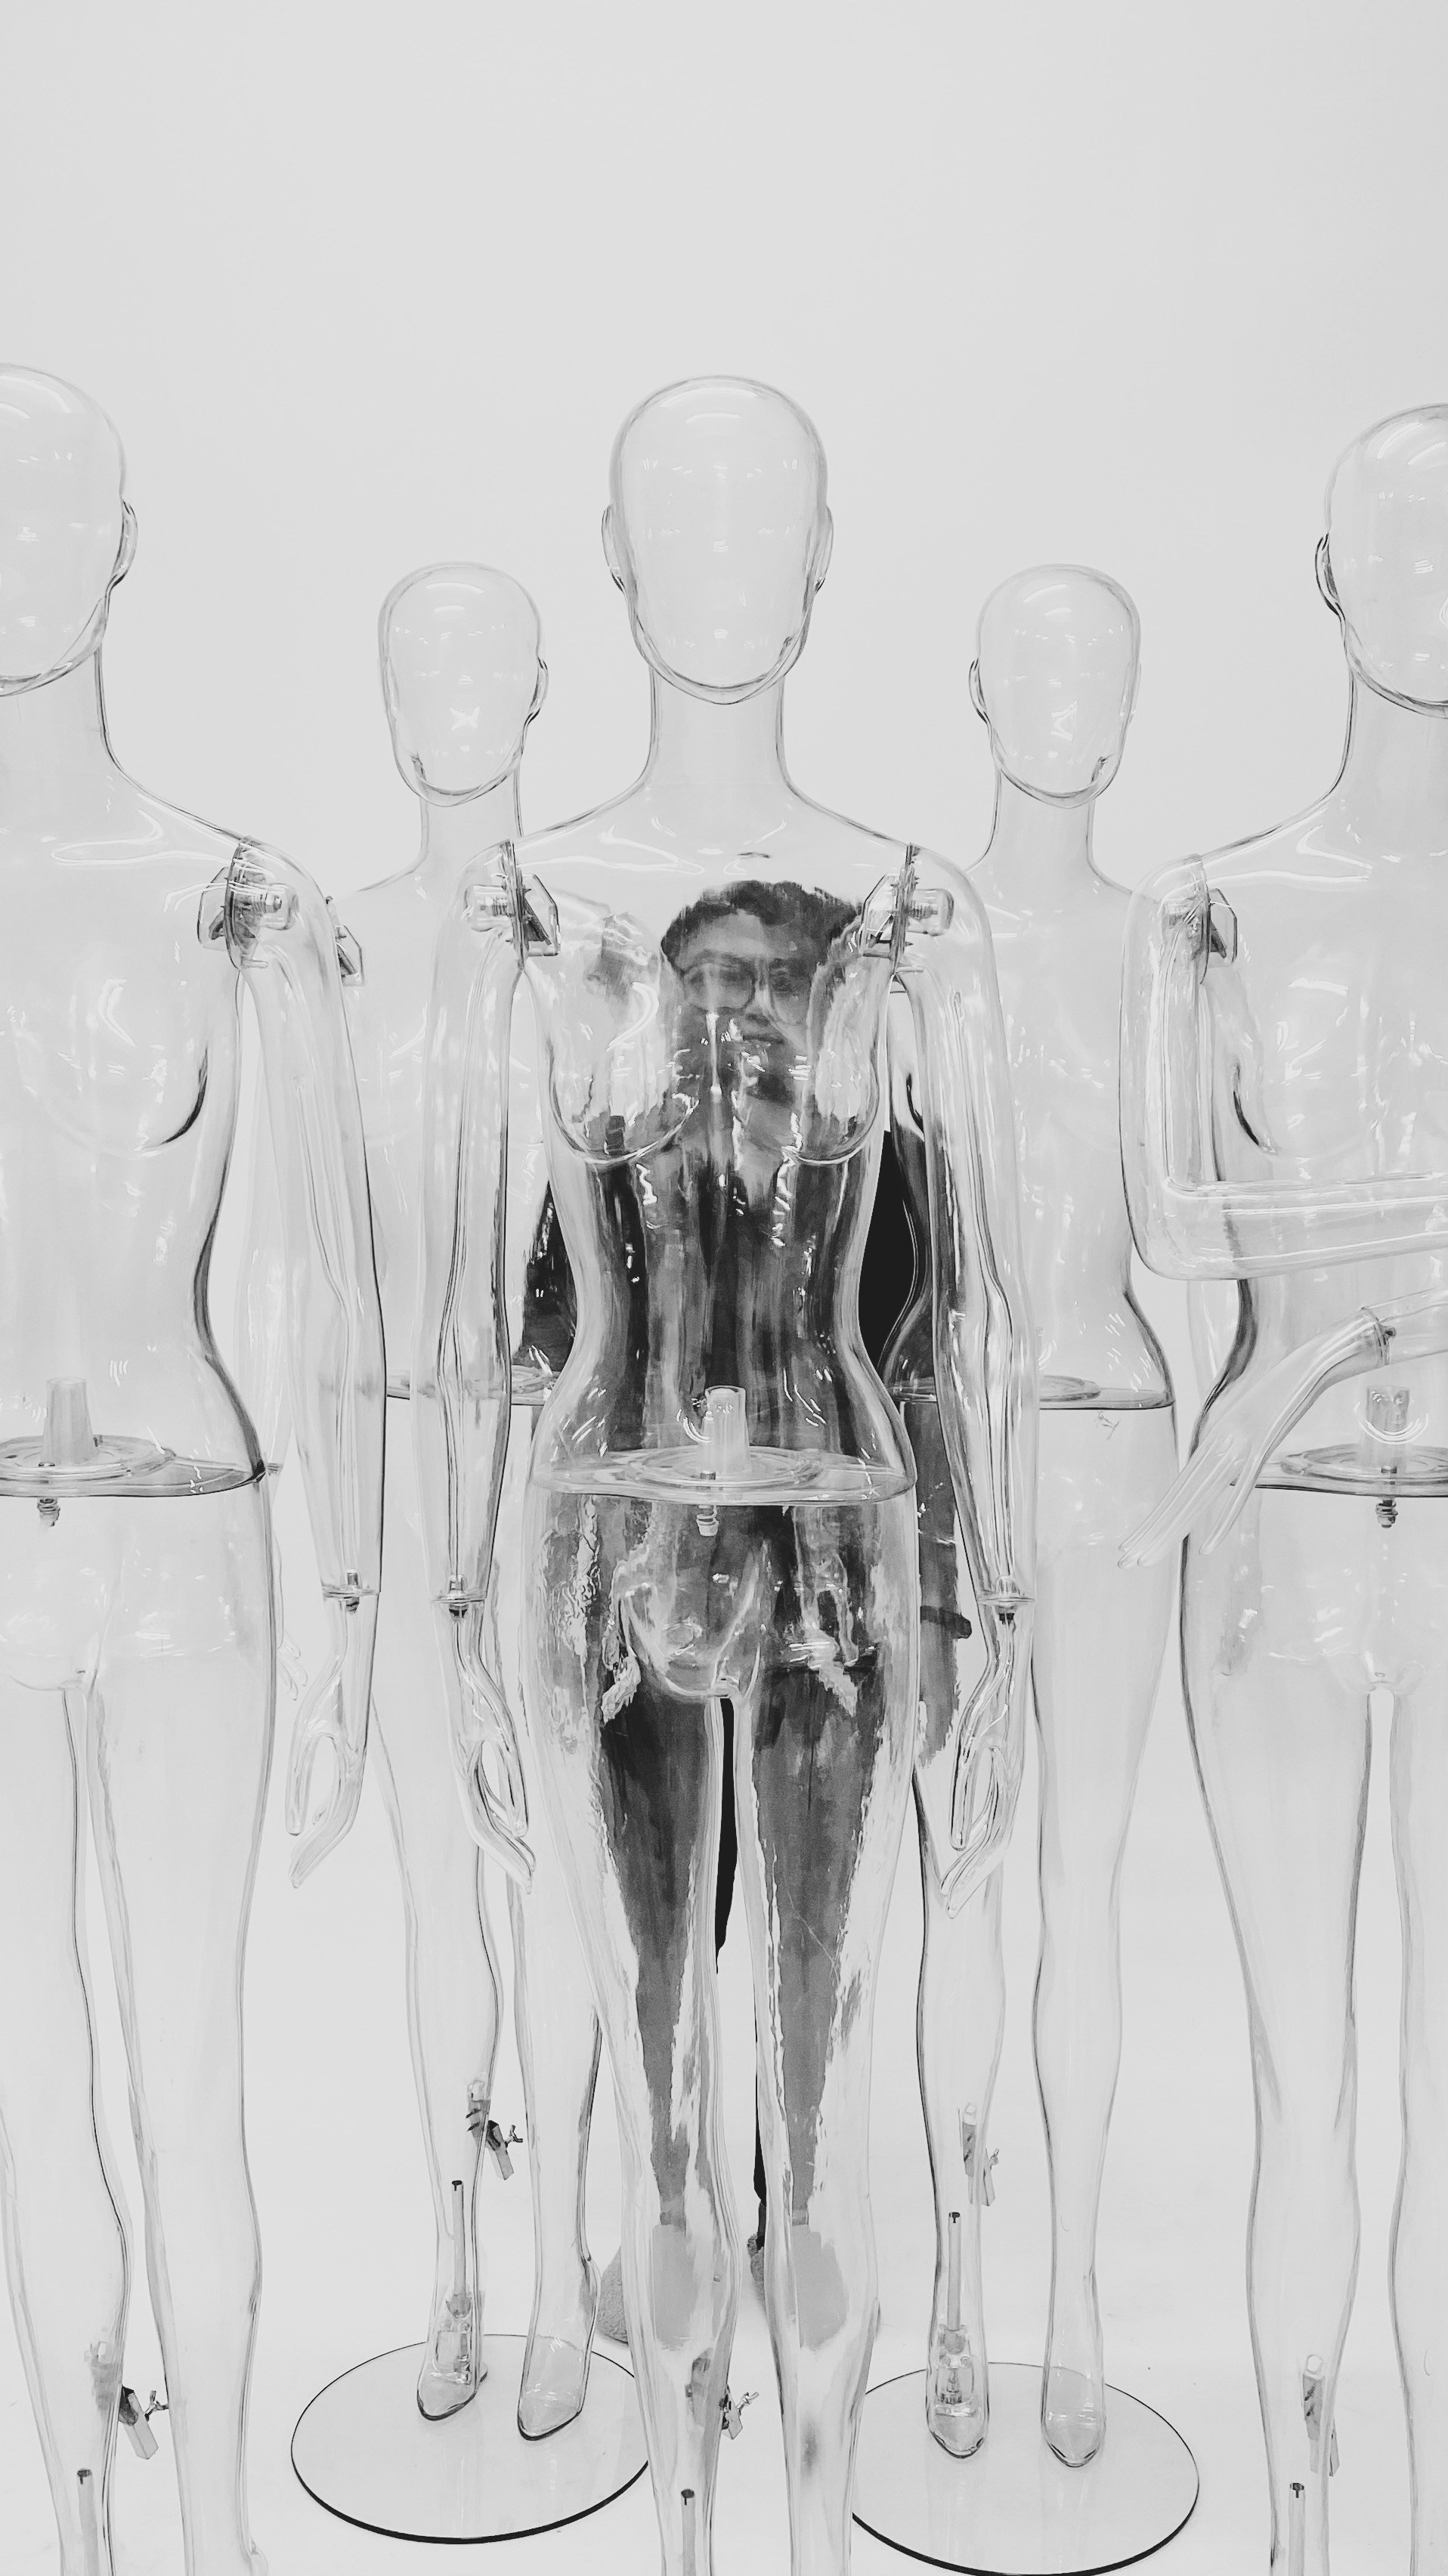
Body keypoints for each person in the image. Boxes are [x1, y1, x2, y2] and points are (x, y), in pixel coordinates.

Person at [414, 377, 1035, 2576]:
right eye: (673, 522)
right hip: (611, 1554)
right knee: (658, 2106)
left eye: (764, 521)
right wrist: (461, 1630)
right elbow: (510, 1337)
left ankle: (808, 2522)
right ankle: (686, 2513)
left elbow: (941, 1329)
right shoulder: (543, 919)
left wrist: (981, 1611)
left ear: (826, 559)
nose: (719, 563)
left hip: (844, 1561)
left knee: (817, 2102)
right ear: (607, 556)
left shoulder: (905, 923)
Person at [0, 368, 382, 2576]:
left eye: (57, 509)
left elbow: (326, 1298)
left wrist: (350, 1612)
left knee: (187, 2074)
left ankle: (216, 2535)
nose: (20, 551)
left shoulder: (235, 902)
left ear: (126, 547)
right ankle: (77, 2532)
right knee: (23, 2080)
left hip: (191, 1555)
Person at [1120, 407, 1448, 2576]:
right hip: (1271, 1530)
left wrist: (1335, 1262)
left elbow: (1240, 1224)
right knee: (1299, 2081)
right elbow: (1172, 1217)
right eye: (1391, 543)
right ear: (1323, 577)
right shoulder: (1218, 911)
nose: (1427, 581)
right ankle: (1309, 2536)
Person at [238, 565, 604, 2432]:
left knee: (563, 1869)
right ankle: (457, 2246)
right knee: (433, 1878)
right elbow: (302, 1275)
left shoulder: (584, 952)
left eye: (478, 668)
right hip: (386, 1471)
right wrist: (330, 1583)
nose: (444, 698)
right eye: (413, 668)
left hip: (547, 1462)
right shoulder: (342, 954)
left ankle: (565, 2277)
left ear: (540, 691)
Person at [883, 567, 1177, 2466]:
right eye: (1040, 668)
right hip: (955, 1458)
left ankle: (1070, 2289)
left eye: (1106, 672)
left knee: (1086, 1874)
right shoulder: (919, 943)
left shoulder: (1169, 946)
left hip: (1125, 1444)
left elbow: (1209, 1228)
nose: (1075, 701)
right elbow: (884, 1248)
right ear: (976, 691)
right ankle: (951, 2289)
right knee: (956, 1882)